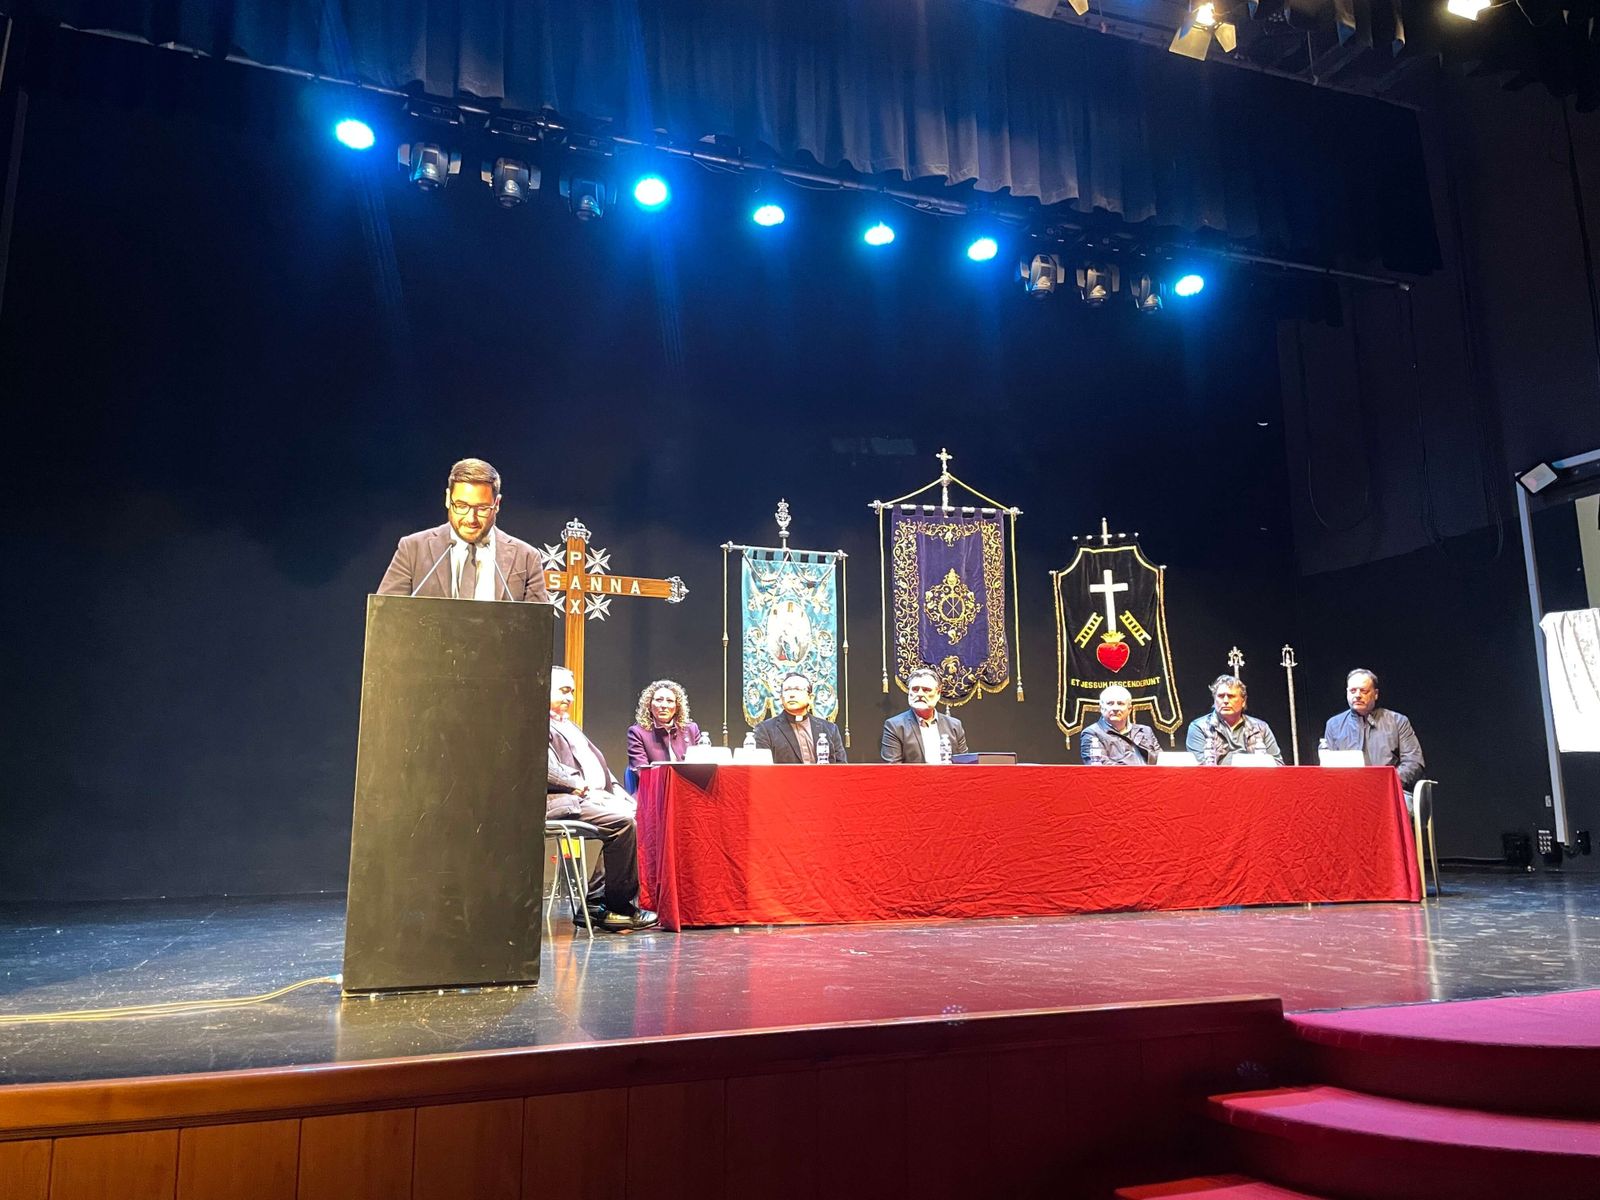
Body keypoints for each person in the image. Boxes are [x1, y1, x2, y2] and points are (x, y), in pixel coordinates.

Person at [547, 667, 660, 932]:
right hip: (563, 799)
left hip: (592, 796)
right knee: (621, 824)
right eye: (564, 691)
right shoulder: (537, 723)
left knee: (636, 815)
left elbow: (596, 765)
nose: (570, 698)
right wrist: (579, 786)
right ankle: (618, 907)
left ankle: (597, 904)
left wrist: (618, 791)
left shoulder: (568, 725)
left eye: (572, 692)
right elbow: (545, 767)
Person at [377, 457, 552, 602]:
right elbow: (386, 619)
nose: (471, 518)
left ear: (496, 504)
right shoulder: (413, 549)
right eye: (461, 505)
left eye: (482, 508)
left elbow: (538, 632)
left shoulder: (526, 557)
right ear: (447, 499)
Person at [1322, 669, 1426, 789]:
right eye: (1353, 691)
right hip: (1348, 792)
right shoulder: (1333, 725)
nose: (1357, 695)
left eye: (1363, 691)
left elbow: (1413, 763)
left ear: (1375, 694)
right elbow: (1327, 768)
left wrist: (1385, 783)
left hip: (1389, 790)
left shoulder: (1398, 721)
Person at [1185, 674, 1284, 766]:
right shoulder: (1199, 727)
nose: (1226, 701)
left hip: (1254, 781)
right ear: (1214, 700)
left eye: (1231, 696)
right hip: (1215, 782)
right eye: (1220, 696)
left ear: (1243, 701)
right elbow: (1201, 768)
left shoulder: (1261, 727)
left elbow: (1278, 765)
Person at [753, 672, 848, 764]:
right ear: (781, 699)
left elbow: (842, 768)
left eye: (797, 689)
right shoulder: (765, 730)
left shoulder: (829, 729)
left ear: (810, 698)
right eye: (786, 690)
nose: (791, 695)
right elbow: (762, 771)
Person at [880, 667, 968, 763]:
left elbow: (964, 766)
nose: (920, 694)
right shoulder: (895, 726)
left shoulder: (954, 726)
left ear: (938, 693)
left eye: (926, 690)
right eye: (915, 689)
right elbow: (893, 770)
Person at [626, 679, 703, 769]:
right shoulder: (637, 732)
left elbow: (703, 765)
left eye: (670, 701)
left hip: (690, 782)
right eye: (659, 700)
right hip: (656, 782)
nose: (664, 705)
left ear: (677, 707)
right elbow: (641, 771)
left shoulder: (691, 729)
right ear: (649, 705)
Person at [1080, 684, 1161, 766]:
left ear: (1129, 709)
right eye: (1110, 703)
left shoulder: (1145, 731)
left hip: (1152, 777)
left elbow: (1163, 761)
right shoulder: (1092, 733)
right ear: (1101, 708)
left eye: (1120, 704)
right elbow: (1101, 768)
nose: (1115, 708)